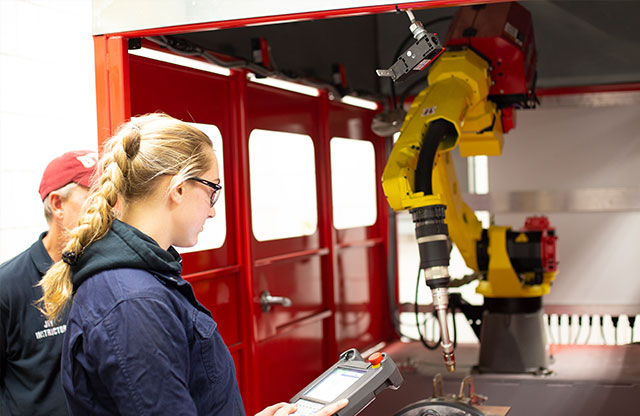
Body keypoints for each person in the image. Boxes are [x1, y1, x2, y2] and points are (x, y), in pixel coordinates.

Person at [38, 113, 347, 416]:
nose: (213, 211)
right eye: (212, 191)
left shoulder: (140, 283)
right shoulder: (134, 303)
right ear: (180, 189)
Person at [0, 150, 98, 415]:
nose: (108, 209)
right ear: (57, 205)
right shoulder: (8, 286)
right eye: (95, 198)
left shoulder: (105, 275)